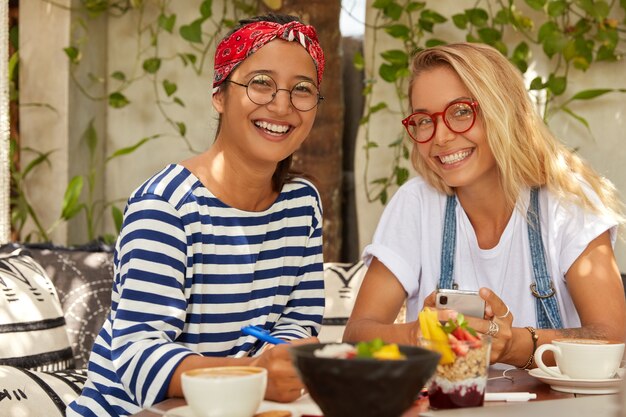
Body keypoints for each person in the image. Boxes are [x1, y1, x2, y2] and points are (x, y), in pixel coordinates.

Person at [68, 13, 326, 417]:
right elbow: (139, 358)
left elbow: (298, 321)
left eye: (302, 89)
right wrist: (254, 372)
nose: (281, 105)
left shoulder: (301, 205)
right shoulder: (166, 206)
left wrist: (286, 359)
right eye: (261, 83)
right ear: (219, 96)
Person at [343, 42, 626, 369]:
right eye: (424, 120)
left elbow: (613, 339)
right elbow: (355, 336)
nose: (441, 137)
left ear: (504, 110)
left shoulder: (567, 201)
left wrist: (518, 344)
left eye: (461, 111)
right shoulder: (416, 203)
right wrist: (418, 335)